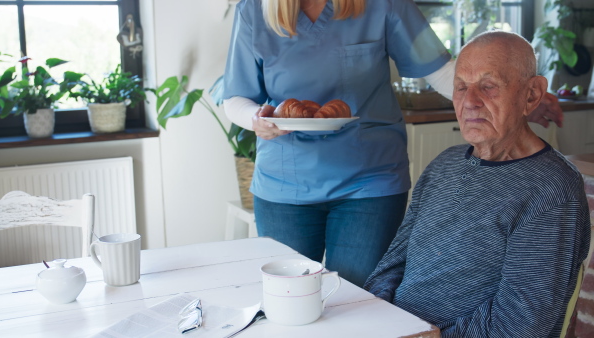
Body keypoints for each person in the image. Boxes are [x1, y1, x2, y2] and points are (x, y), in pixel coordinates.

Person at [221, 0, 563, 287]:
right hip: (285, 185)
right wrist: (257, 119)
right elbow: (235, 95)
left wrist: (517, 99)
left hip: (370, 184)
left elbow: (442, 69)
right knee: (288, 299)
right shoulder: (255, 10)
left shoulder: (382, 4)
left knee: (358, 301)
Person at [364, 31, 591, 337]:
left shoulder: (551, 188)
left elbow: (521, 321)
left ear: (532, 95)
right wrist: (377, 312)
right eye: (460, 87)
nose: (470, 101)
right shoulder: (444, 164)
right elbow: (393, 262)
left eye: (488, 86)